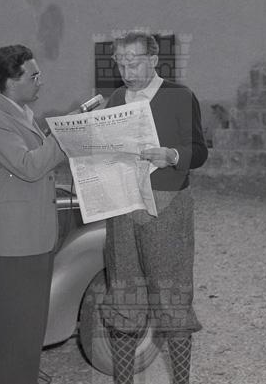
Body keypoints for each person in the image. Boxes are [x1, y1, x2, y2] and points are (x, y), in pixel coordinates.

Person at [100, 31, 208, 384]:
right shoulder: (116, 98)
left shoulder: (180, 96)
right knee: (124, 294)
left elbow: (200, 151)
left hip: (168, 204)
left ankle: (181, 380)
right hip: (123, 204)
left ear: (153, 60)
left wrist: (173, 156)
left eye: (133, 63)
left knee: (172, 294)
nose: (126, 71)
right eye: (120, 63)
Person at [0, 44, 66, 384]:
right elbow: (29, 166)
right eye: (34, 76)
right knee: (13, 331)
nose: (41, 81)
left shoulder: (21, 112)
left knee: (29, 329)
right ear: (12, 82)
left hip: (33, 236)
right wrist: (65, 136)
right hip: (14, 242)